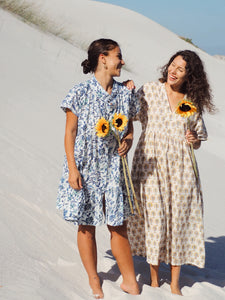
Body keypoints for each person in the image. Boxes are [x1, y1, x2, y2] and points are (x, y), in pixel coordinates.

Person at [127, 50, 215, 295]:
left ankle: (175, 284)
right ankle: (155, 280)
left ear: (190, 75)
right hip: (150, 165)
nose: (173, 71)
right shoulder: (149, 91)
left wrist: (193, 139)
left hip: (181, 170)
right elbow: (128, 113)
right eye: (172, 65)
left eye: (180, 69)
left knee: (177, 221)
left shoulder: (189, 102)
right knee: (155, 220)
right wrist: (126, 90)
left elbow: (198, 138)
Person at [56, 38, 140, 299]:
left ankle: (130, 281)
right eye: (118, 56)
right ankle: (94, 279)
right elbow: (69, 133)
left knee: (118, 225)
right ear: (103, 58)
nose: (122, 61)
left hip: (114, 167)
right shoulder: (79, 92)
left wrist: (127, 140)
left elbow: (130, 128)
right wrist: (73, 169)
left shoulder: (126, 94)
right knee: (86, 224)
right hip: (85, 166)